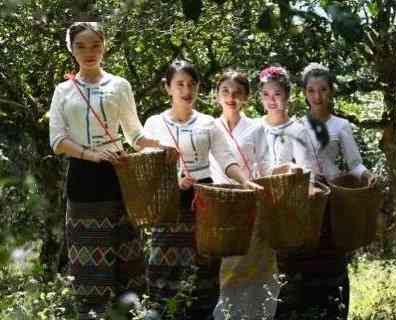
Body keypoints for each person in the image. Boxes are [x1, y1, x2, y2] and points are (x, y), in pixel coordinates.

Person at [48, 21, 163, 319]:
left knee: (128, 256)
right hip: (83, 180)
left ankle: (130, 312)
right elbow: (57, 140)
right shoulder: (63, 90)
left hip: (118, 175)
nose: (89, 52)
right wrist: (91, 154)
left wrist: (159, 145)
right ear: (71, 49)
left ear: (104, 46)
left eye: (95, 45)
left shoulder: (120, 85)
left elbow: (134, 134)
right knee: (88, 263)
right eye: (81, 46)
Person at [142, 60, 261, 320]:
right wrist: (174, 182)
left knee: (204, 264)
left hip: (204, 199)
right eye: (180, 84)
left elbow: (226, 159)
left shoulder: (208, 123)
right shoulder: (154, 123)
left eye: (191, 84)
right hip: (169, 200)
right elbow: (147, 166)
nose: (186, 90)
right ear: (168, 88)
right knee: (165, 263)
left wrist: (244, 181)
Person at [274, 63, 377, 320]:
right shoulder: (294, 127)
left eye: (322, 90)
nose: (317, 97)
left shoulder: (341, 126)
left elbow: (354, 164)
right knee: (299, 261)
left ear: (331, 91)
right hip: (303, 201)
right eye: (311, 90)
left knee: (332, 260)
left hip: (332, 202)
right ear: (305, 93)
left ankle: (334, 311)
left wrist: (367, 175)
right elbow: (282, 164)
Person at [210, 71, 279, 320]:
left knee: (256, 263)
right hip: (219, 203)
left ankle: (258, 314)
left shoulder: (257, 128)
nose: (231, 97)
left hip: (252, 200)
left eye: (238, 93)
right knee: (228, 266)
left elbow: (265, 163)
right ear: (217, 95)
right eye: (225, 91)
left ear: (247, 98)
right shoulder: (210, 127)